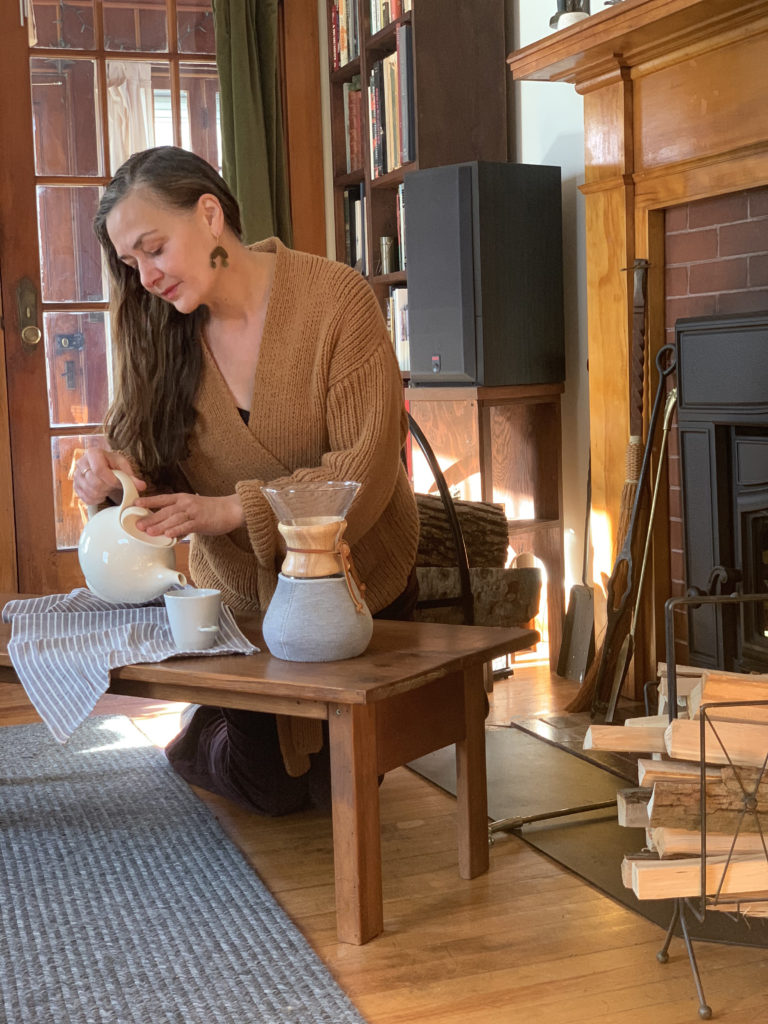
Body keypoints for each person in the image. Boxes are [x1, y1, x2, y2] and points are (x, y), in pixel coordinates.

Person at [73, 146, 419, 815]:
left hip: (357, 584)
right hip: (243, 606)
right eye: (130, 263)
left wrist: (237, 511)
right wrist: (113, 479)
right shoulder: (159, 329)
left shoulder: (335, 300)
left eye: (153, 249)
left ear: (209, 215)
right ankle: (203, 731)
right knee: (271, 790)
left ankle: (214, 718)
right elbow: (141, 460)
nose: (145, 277)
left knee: (339, 790)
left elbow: (365, 472)